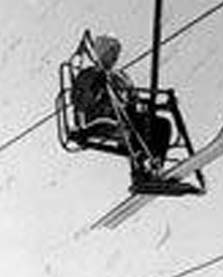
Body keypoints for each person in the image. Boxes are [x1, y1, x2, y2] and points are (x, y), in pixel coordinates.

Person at [71, 34, 172, 175]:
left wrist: (155, 106)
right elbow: (81, 100)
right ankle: (139, 170)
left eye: (116, 53)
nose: (115, 57)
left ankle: (156, 166)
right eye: (111, 53)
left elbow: (134, 98)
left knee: (162, 125)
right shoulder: (89, 75)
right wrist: (97, 87)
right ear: (102, 53)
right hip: (100, 119)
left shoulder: (120, 76)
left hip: (123, 116)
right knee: (134, 126)